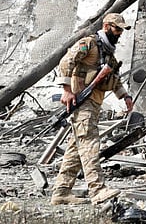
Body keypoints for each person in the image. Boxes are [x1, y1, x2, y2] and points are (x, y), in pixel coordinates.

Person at [50, 13, 134, 205]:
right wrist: (66, 90)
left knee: (75, 148)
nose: (120, 33)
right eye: (117, 28)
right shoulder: (90, 43)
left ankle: (61, 192)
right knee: (89, 143)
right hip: (82, 101)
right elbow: (66, 62)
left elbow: (115, 81)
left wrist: (125, 96)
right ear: (106, 26)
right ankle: (97, 189)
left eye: (121, 29)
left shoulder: (109, 54)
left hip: (94, 103)